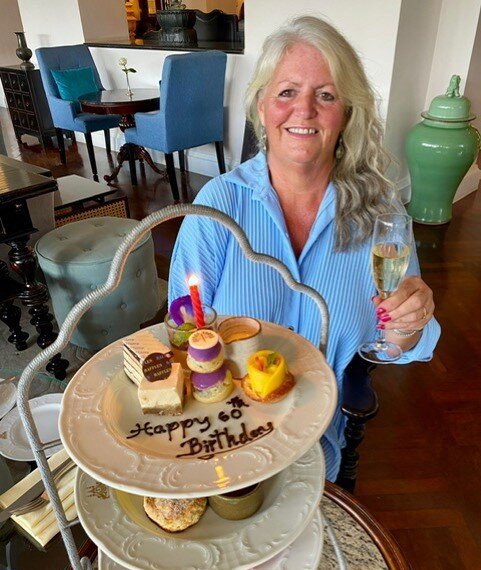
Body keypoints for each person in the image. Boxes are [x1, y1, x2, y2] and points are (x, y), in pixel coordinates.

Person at [168, 15, 441, 481]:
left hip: (317, 452)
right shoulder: (218, 205)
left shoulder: (380, 211)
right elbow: (183, 334)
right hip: (223, 441)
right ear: (262, 107)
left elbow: (398, 342)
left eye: (326, 95)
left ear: (347, 113)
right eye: (287, 92)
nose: (305, 110)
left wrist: (410, 320)